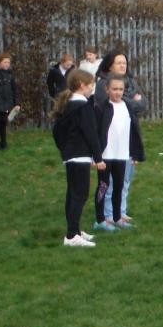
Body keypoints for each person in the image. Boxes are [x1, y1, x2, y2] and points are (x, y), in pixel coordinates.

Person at [51, 68, 104, 247]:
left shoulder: (68, 105)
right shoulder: (83, 106)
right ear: (81, 85)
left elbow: (56, 132)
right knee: (80, 195)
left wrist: (64, 149)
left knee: (72, 194)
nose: (92, 89)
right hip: (79, 156)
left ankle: (75, 230)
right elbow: (91, 134)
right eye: (91, 86)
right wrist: (98, 158)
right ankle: (72, 236)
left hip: (70, 156)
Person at [96, 52, 147, 221]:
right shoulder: (103, 84)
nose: (123, 66)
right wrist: (133, 100)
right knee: (108, 183)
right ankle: (107, 214)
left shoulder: (131, 81)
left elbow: (142, 104)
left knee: (124, 181)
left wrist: (134, 101)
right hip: (109, 147)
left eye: (124, 62)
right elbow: (120, 102)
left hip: (127, 142)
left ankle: (120, 212)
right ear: (110, 65)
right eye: (119, 62)